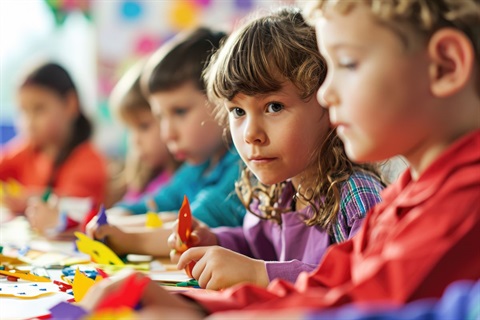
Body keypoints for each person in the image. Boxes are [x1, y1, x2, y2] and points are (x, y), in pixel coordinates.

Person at [79, 0, 480, 317]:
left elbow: (366, 303)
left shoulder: (465, 198)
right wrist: (196, 306)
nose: (325, 94)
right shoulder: (413, 190)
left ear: (444, 65)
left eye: (347, 64)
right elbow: (331, 282)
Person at [167, 8, 384, 290]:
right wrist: (217, 242)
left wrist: (261, 275)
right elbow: (258, 250)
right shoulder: (277, 194)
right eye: (237, 111)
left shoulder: (356, 198)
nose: (251, 134)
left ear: (329, 102)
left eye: (274, 107)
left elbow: (365, 281)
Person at [87, 28, 246, 257]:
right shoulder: (199, 166)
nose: (167, 134)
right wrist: (114, 219)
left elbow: (195, 228)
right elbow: (154, 204)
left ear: (223, 99)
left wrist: (125, 238)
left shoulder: (243, 165)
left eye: (180, 112)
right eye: (160, 116)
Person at [0, 62, 107, 235]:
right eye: (23, 111)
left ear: (71, 104)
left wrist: (28, 199)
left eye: (39, 109)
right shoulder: (30, 150)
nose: (29, 121)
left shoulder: (89, 160)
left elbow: (73, 208)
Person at [106, 60, 179, 206]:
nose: (135, 140)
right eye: (130, 129)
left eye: (143, 127)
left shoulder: (181, 182)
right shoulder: (143, 179)